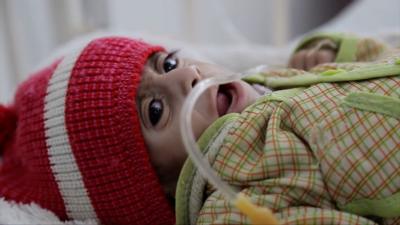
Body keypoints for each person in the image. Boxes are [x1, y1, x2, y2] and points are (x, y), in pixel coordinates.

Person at [0, 32, 398, 225]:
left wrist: (329, 51)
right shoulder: (233, 197)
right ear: (157, 187)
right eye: (155, 110)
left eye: (168, 64)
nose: (186, 77)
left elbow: (373, 62)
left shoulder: (274, 78)